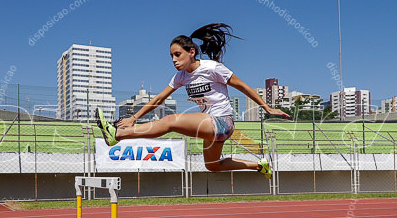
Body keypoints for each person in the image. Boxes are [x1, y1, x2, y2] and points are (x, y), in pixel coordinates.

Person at [94, 23, 290, 179]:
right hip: (210, 127)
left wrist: (267, 108)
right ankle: (259, 165)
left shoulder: (212, 68)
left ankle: (118, 134)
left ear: (191, 52)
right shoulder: (181, 77)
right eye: (171, 56)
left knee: (171, 121)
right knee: (212, 166)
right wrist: (134, 117)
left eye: (177, 54)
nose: (174, 60)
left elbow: (242, 86)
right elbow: (159, 98)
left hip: (223, 122)